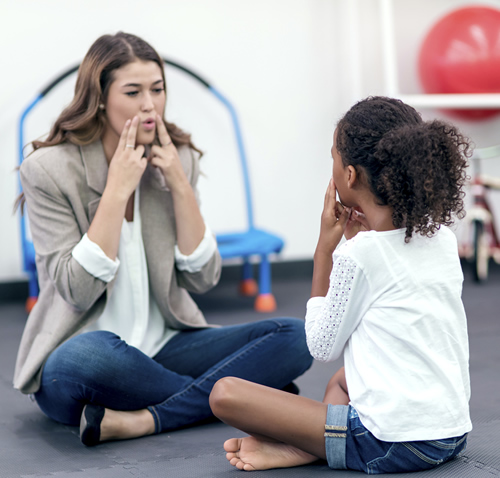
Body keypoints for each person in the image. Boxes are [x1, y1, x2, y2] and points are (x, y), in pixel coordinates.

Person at [14, 32, 313, 447]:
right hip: (83, 354)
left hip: (165, 345)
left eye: (157, 89)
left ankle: (147, 418)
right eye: (132, 92)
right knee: (89, 355)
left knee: (295, 337)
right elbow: (77, 291)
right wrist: (116, 190)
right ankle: (241, 395)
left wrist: (178, 183)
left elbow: (202, 279)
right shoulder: (48, 169)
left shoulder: (177, 157)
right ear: (99, 99)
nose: (149, 104)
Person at [209, 96, 472, 474]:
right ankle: (314, 445)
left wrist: (324, 251)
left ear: (349, 175)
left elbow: (321, 346)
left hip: (393, 445)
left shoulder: (359, 255)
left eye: (333, 156)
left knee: (225, 393)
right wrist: (356, 245)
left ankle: (311, 445)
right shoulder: (441, 238)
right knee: (344, 381)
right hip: (450, 435)